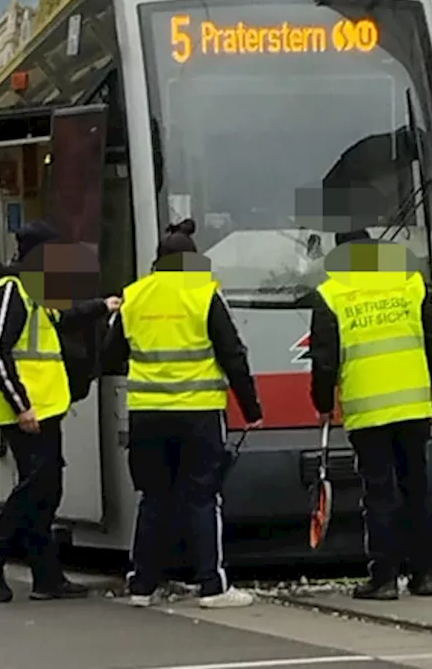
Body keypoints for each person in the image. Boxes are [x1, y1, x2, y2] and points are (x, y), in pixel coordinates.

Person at [103, 218, 263, 609]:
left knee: (153, 499)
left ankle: (142, 586)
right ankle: (213, 585)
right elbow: (233, 354)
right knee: (202, 498)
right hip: (198, 413)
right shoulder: (204, 294)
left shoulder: (134, 296)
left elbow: (110, 356)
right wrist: (252, 407)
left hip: (147, 414)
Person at [0, 221, 121, 603]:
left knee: (46, 490)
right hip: (28, 410)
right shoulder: (11, 289)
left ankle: (46, 577)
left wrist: (103, 306)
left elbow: (60, 321)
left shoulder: (34, 290)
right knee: (36, 486)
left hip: (46, 406)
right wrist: (21, 404)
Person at [307, 234, 432, 601]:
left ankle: (384, 577)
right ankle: (424, 575)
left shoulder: (331, 293)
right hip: (413, 408)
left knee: (379, 493)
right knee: (415, 489)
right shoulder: (409, 283)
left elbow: (325, 359)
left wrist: (323, 402)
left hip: (368, 411)